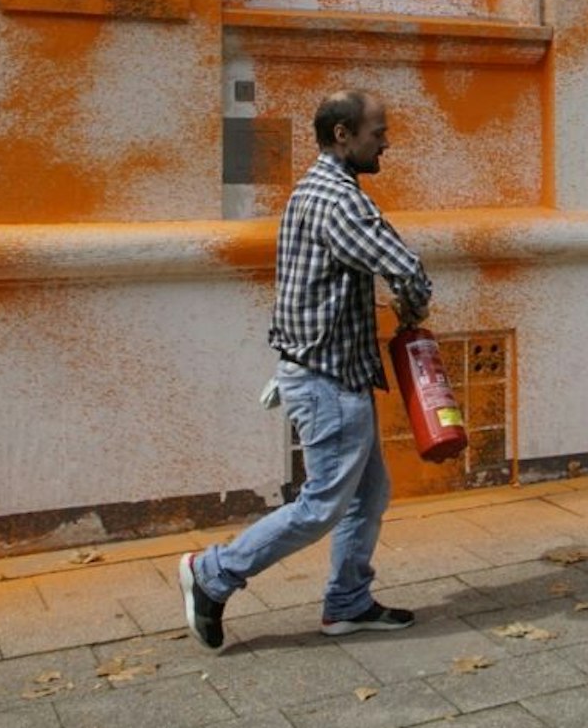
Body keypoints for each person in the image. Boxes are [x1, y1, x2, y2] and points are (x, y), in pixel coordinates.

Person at [180, 90, 433, 650]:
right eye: (377, 133)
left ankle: (348, 603)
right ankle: (213, 574)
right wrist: (415, 308)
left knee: (366, 496)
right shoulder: (340, 201)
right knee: (322, 504)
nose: (386, 143)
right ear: (343, 134)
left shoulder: (312, 189)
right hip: (327, 380)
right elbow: (406, 268)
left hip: (325, 370)